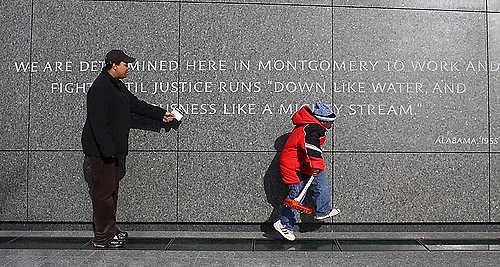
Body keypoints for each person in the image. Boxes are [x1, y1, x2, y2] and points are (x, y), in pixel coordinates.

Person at [81, 50, 175, 248]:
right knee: (103, 195)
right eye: (126, 63)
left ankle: (111, 230)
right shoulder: (100, 88)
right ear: (113, 64)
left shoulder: (116, 85)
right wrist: (108, 154)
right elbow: (98, 124)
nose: (129, 67)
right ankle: (101, 237)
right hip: (101, 153)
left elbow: (136, 105)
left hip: (112, 152)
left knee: (111, 193)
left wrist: (161, 114)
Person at [274, 100, 340, 241]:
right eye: (330, 122)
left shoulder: (311, 127)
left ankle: (322, 210)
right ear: (323, 120)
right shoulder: (313, 128)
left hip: (302, 163)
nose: (331, 125)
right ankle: (284, 224)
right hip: (293, 166)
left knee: (319, 184)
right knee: (296, 195)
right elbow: (312, 148)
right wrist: (316, 165)